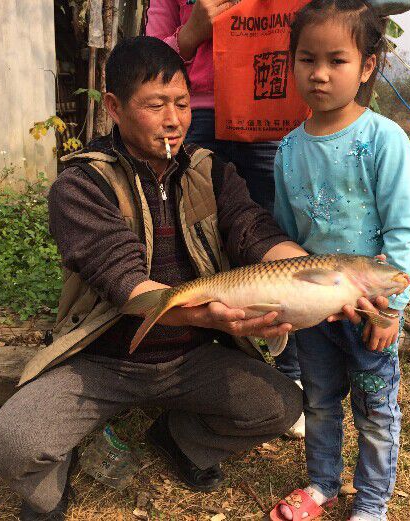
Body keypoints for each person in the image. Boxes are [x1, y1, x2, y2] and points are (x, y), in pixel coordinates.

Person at [0, 37, 307, 521]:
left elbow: (253, 231)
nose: (173, 119)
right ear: (114, 107)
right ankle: (53, 478)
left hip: (191, 358)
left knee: (280, 405)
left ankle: (179, 439)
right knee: (14, 442)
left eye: (181, 103)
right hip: (101, 360)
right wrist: (217, 318)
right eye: (155, 105)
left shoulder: (210, 171)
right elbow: (126, 284)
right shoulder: (80, 186)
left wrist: (309, 270)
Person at [268, 1, 410, 520]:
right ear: (291, 62)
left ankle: (374, 503)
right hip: (315, 313)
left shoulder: (383, 140)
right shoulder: (289, 150)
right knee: (318, 401)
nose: (319, 74)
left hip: (370, 313)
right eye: (306, 59)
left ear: (367, 66)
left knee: (375, 410)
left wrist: (390, 308)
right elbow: (287, 240)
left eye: (336, 60)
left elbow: (403, 233)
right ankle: (322, 484)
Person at [146, 0, 306, 438]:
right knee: (181, 230)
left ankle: (288, 369)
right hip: (194, 111)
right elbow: (148, 53)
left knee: (271, 230)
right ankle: (196, 351)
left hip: (269, 110)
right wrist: (191, 32)